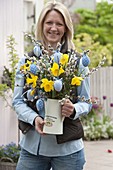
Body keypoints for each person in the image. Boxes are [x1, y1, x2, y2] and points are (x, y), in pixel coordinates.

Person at [12, 1, 92, 170]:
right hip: (33, 149)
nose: (53, 28)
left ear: (66, 28)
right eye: (49, 22)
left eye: (59, 24)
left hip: (68, 152)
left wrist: (74, 110)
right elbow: (18, 102)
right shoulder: (26, 62)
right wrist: (34, 119)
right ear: (41, 25)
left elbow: (87, 102)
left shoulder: (78, 63)